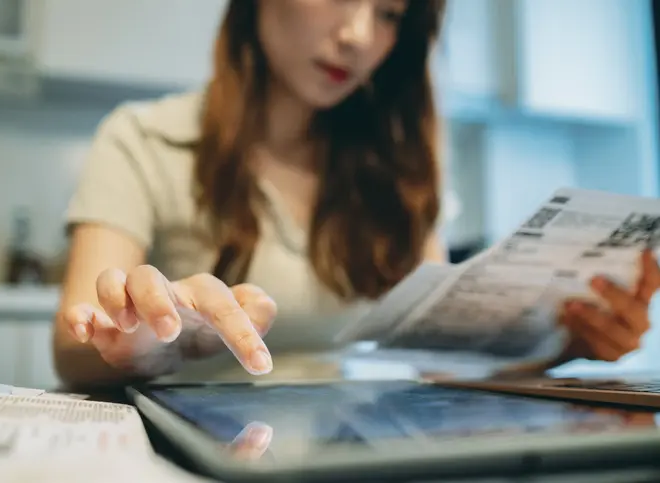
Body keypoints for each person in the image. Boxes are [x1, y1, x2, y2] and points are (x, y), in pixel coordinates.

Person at [53, 0, 660, 388]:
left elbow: (437, 358)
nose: (360, 34)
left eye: (391, 14)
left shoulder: (396, 169)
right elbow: (72, 346)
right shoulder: (142, 138)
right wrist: (143, 340)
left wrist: (565, 344)